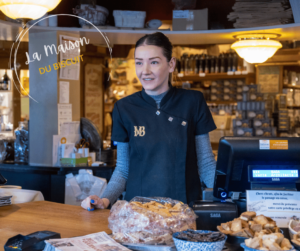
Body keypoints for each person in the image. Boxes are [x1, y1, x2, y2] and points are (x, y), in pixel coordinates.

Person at [81, 32, 217, 211]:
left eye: (153, 62)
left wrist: (233, 193)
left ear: (171, 64)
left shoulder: (193, 102)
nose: (145, 71)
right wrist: (104, 200)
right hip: (139, 213)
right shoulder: (124, 108)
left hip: (183, 211)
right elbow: (123, 169)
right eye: (139, 62)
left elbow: (206, 163)